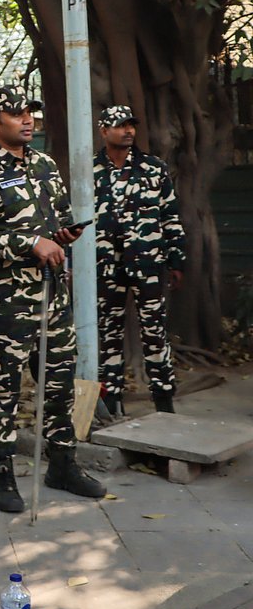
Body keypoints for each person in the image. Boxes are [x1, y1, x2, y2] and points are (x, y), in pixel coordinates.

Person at [0, 85, 106, 514]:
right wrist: (30, 243)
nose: (27, 120)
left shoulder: (43, 165)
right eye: (16, 113)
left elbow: (54, 219)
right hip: (8, 303)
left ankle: (63, 463)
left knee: (59, 385)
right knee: (3, 390)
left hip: (53, 297)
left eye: (30, 112)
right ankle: (0, 473)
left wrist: (62, 235)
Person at [94, 104, 186, 415]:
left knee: (155, 333)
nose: (128, 130)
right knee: (108, 333)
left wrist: (176, 260)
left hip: (148, 263)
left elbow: (170, 216)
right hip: (106, 267)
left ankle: (163, 400)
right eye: (120, 125)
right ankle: (111, 400)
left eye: (131, 125)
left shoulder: (153, 168)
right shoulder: (89, 170)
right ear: (104, 131)